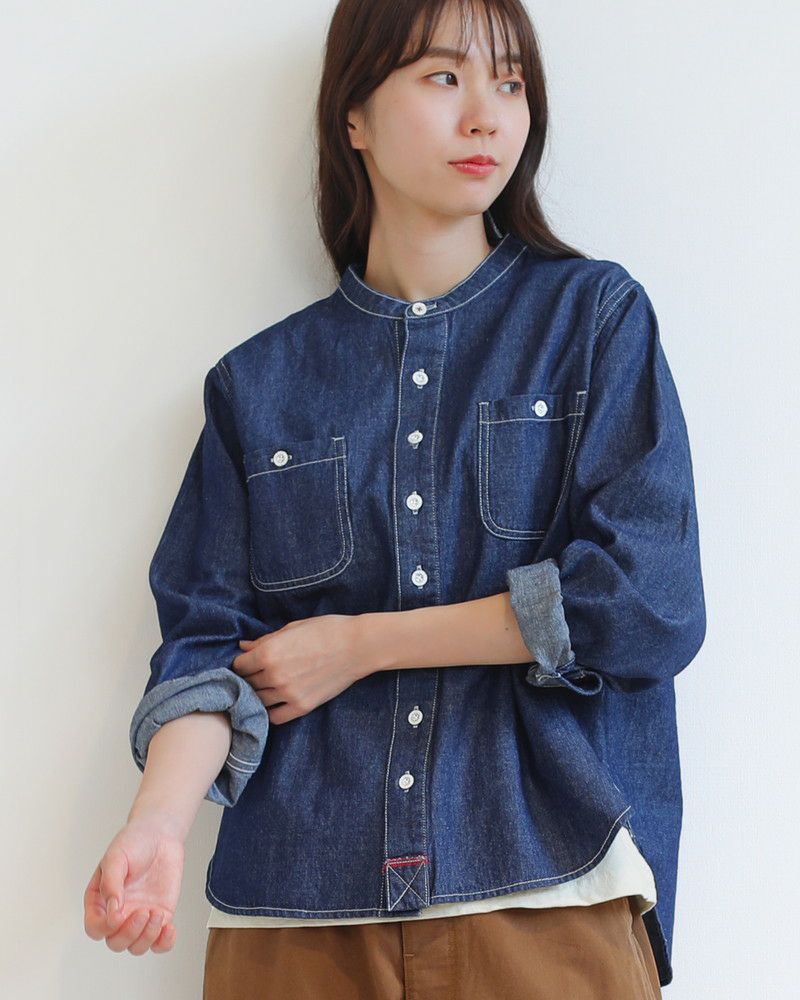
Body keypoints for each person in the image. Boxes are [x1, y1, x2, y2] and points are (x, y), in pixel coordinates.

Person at [83, 1, 706, 996]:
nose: (486, 115)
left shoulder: (591, 320)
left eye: (510, 82)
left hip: (546, 890)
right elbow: (207, 648)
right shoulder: (258, 384)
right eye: (443, 76)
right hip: (295, 913)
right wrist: (157, 823)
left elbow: (645, 601)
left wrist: (362, 643)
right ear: (354, 116)